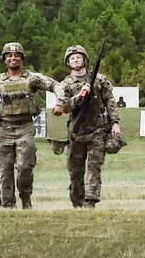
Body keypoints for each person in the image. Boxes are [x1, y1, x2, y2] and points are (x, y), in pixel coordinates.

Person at [0, 42, 60, 209]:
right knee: (4, 170)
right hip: (5, 129)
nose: (13, 58)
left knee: (24, 168)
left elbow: (55, 85)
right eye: (9, 56)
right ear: (5, 59)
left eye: (16, 55)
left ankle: (25, 197)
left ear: (21, 58)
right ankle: (8, 206)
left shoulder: (32, 78)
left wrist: (60, 102)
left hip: (25, 128)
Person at [53, 45, 123, 209]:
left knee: (94, 167)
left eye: (78, 57)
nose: (76, 60)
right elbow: (64, 107)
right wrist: (80, 95)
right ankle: (77, 203)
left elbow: (110, 102)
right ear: (68, 63)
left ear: (85, 59)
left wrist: (115, 123)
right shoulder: (65, 85)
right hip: (76, 132)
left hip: (97, 130)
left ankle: (90, 202)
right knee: (75, 172)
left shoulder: (100, 80)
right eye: (72, 58)